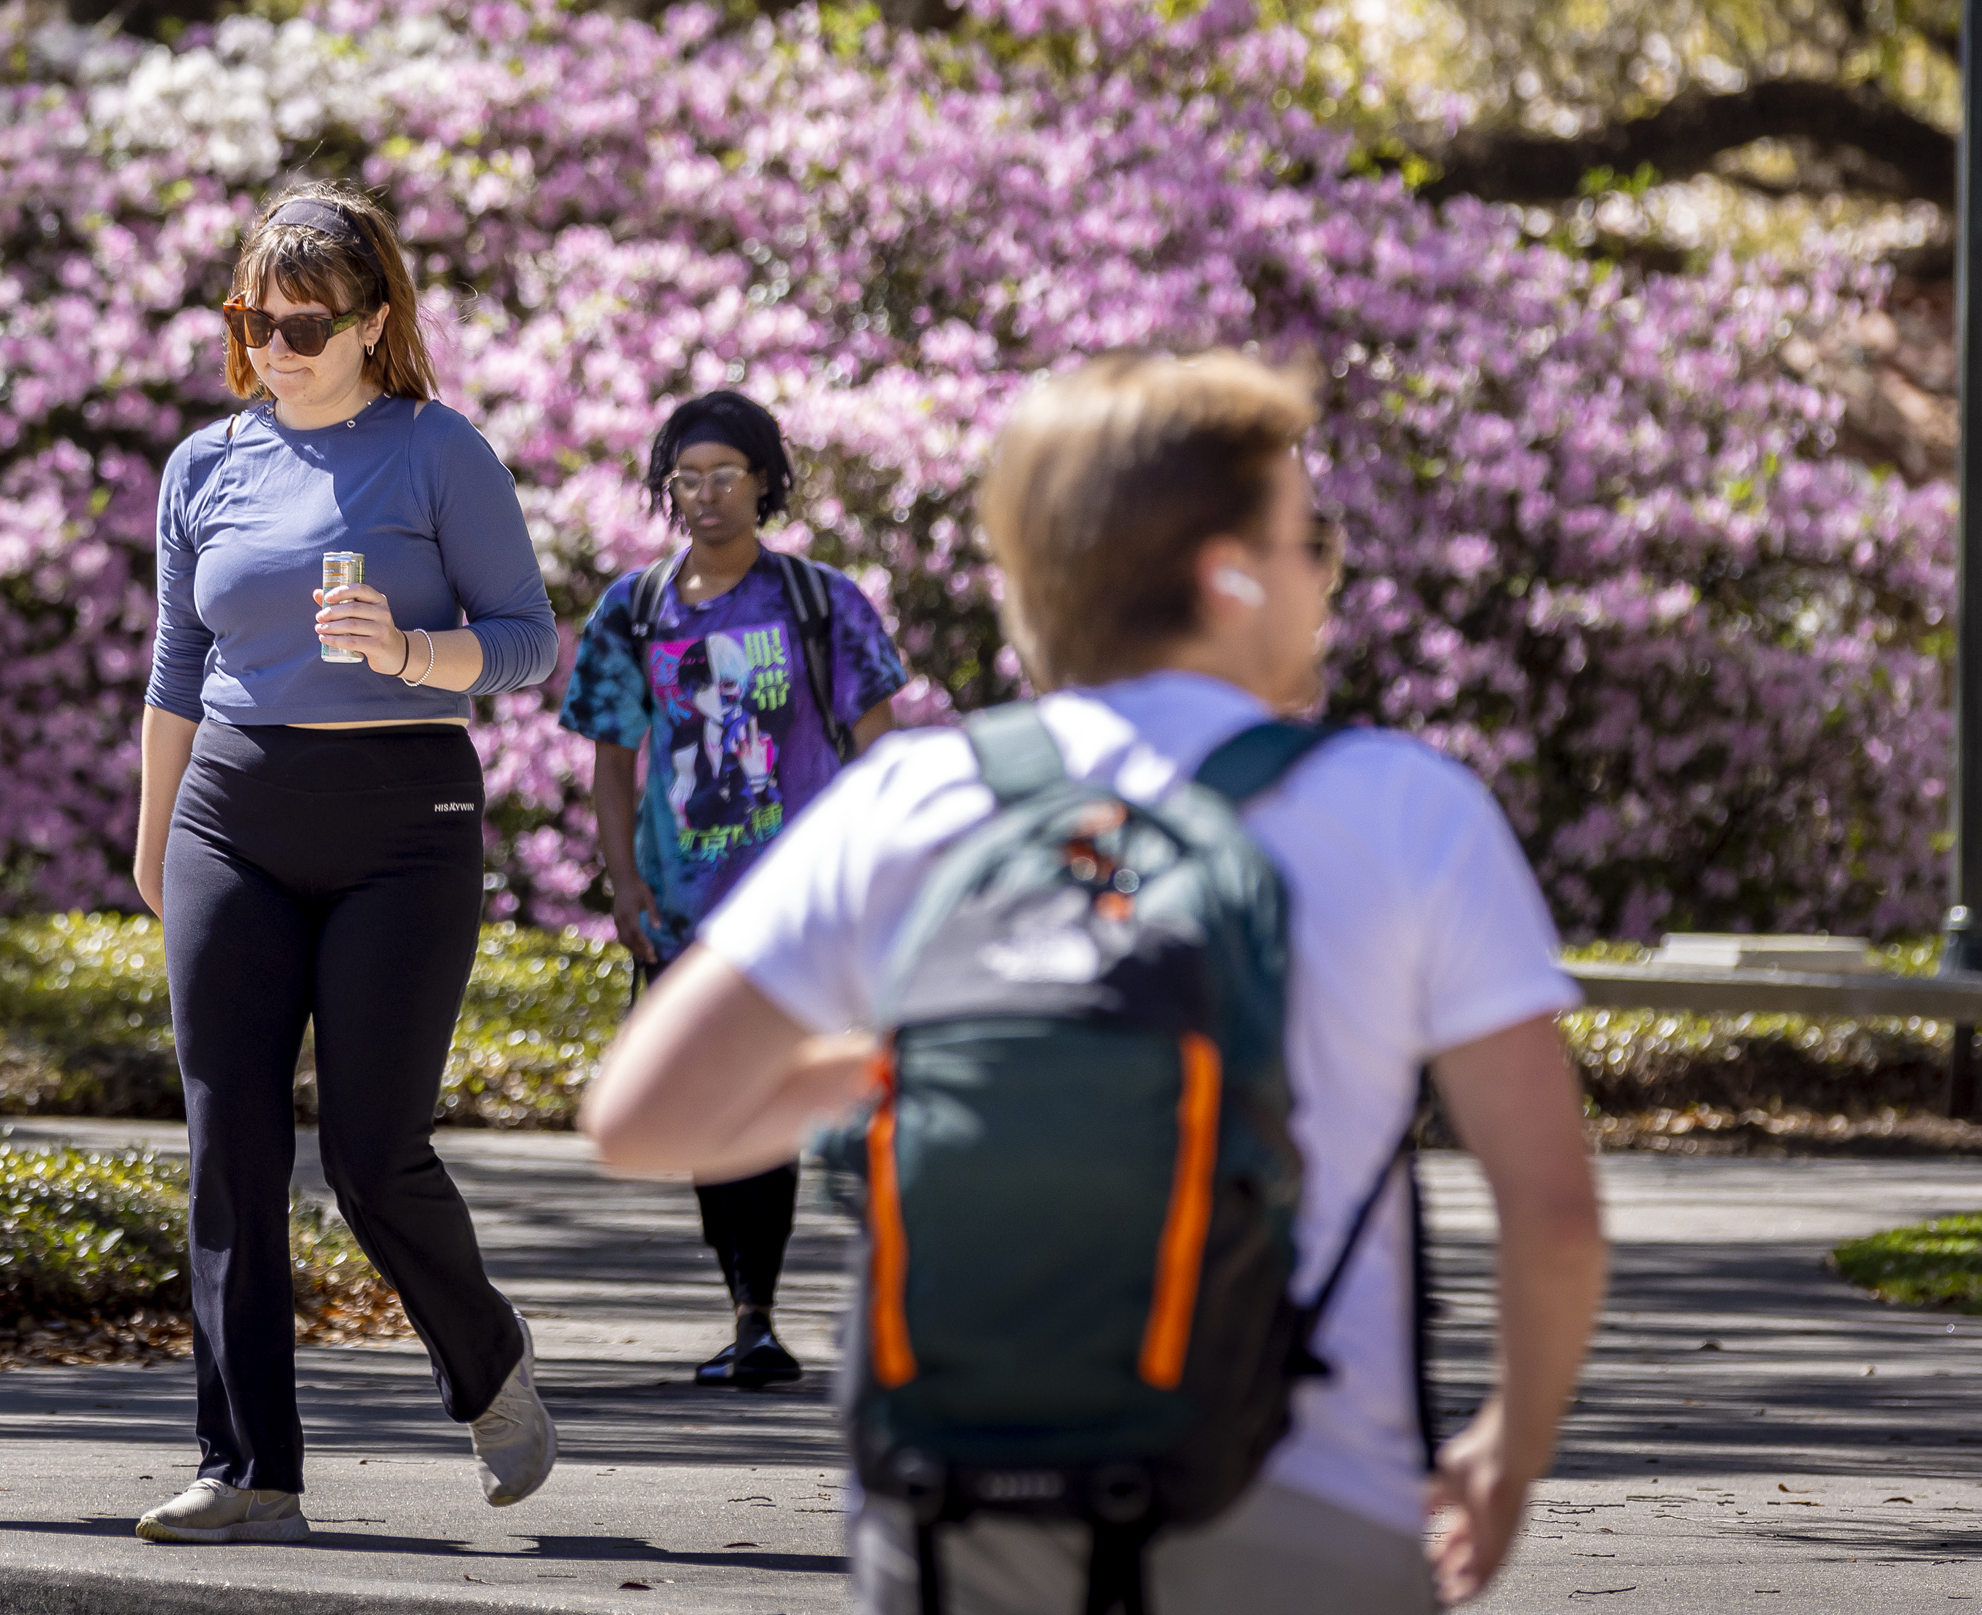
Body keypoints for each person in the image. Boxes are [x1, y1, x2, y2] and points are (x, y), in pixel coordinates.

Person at [580, 351, 1606, 1614]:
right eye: (1312, 538)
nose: (1328, 575)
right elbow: (1553, 1215)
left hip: (950, 1504)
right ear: (1231, 571)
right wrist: (1507, 1450)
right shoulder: (1404, 807)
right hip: (1296, 1501)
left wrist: (919, 1066)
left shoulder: (915, 798)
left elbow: (641, 1120)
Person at [127, 181, 566, 1547]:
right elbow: (175, 669)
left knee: (374, 1157)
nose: (279, 346)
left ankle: (486, 1363)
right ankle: (248, 1468)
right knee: (228, 1153)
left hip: (403, 822)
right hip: (228, 818)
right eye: (257, 320)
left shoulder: (441, 453)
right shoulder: (203, 466)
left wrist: (409, 655)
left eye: (310, 322)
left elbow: (528, 638)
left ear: (376, 322)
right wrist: (156, 840)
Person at [559, 387, 925, 1391]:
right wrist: (624, 884)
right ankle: (746, 1305)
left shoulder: (818, 603)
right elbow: (611, 760)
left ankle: (759, 1313)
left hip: (800, 905)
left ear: (764, 480)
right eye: (686, 479)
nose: (706, 495)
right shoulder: (634, 610)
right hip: (682, 912)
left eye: (725, 475)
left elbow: (877, 750)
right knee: (708, 1106)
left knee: (788, 1098)